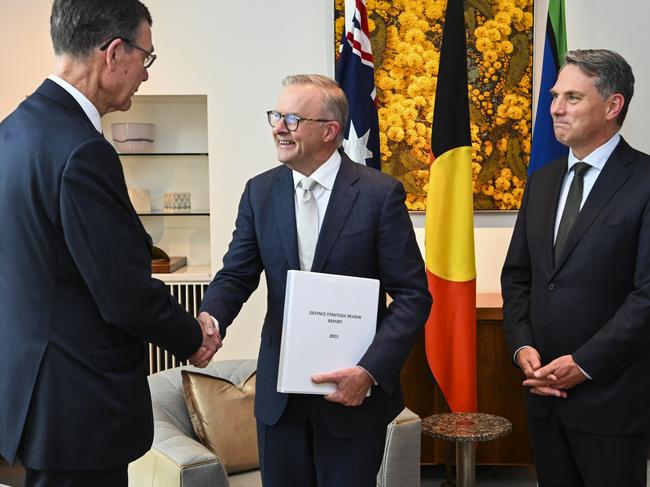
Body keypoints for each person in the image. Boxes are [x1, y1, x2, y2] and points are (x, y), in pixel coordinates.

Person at [0, 1, 221, 485]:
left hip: (28, 399)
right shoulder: (83, 150)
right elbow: (121, 291)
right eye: (147, 56)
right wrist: (192, 338)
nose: (145, 74)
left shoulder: (12, 132)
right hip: (77, 408)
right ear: (114, 52)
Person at [198, 74, 431, 487]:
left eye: (291, 118)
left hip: (353, 396)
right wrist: (210, 320)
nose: (278, 128)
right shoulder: (260, 192)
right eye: (276, 116)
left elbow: (413, 297)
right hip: (280, 402)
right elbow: (237, 272)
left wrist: (370, 371)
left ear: (330, 131)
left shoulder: (380, 195)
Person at [501, 49, 650, 487]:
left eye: (572, 97)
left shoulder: (644, 181)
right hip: (543, 395)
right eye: (554, 96)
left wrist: (583, 364)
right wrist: (521, 347)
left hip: (611, 400)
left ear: (612, 105)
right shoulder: (544, 180)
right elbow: (519, 276)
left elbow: (647, 295)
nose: (555, 108)